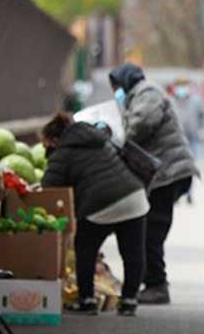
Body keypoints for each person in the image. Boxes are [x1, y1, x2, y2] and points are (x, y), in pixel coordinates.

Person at [40, 113, 149, 317]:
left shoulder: (63, 152)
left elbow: (48, 187)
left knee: (85, 248)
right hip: (134, 196)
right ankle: (129, 301)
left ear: (54, 139)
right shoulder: (97, 138)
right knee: (133, 252)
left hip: (101, 203)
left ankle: (87, 300)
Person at [109, 63, 199, 305]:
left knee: (152, 230)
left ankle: (157, 285)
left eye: (116, 86)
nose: (116, 91)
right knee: (149, 228)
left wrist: (119, 134)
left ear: (126, 80)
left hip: (169, 172)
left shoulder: (147, 92)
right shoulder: (139, 95)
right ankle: (150, 281)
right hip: (164, 172)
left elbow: (142, 124)